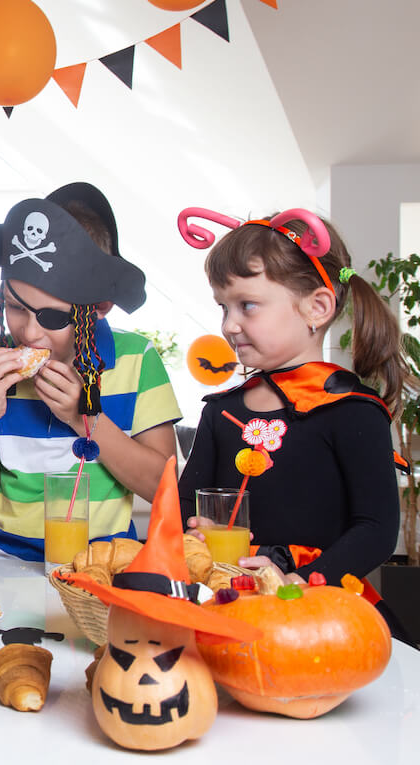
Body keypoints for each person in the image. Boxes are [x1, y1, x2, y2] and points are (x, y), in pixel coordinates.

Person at [174, 207, 405, 593]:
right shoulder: (221, 411)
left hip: (318, 608)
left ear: (316, 307)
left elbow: (376, 530)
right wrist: (196, 531)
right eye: (223, 307)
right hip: (230, 600)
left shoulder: (353, 412)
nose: (229, 325)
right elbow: (185, 507)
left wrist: (296, 584)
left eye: (247, 305)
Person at [0, 183, 181, 561]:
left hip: (104, 564)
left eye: (53, 317)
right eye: (15, 307)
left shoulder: (136, 360)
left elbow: (164, 487)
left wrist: (85, 418)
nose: (29, 332)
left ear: (99, 307)